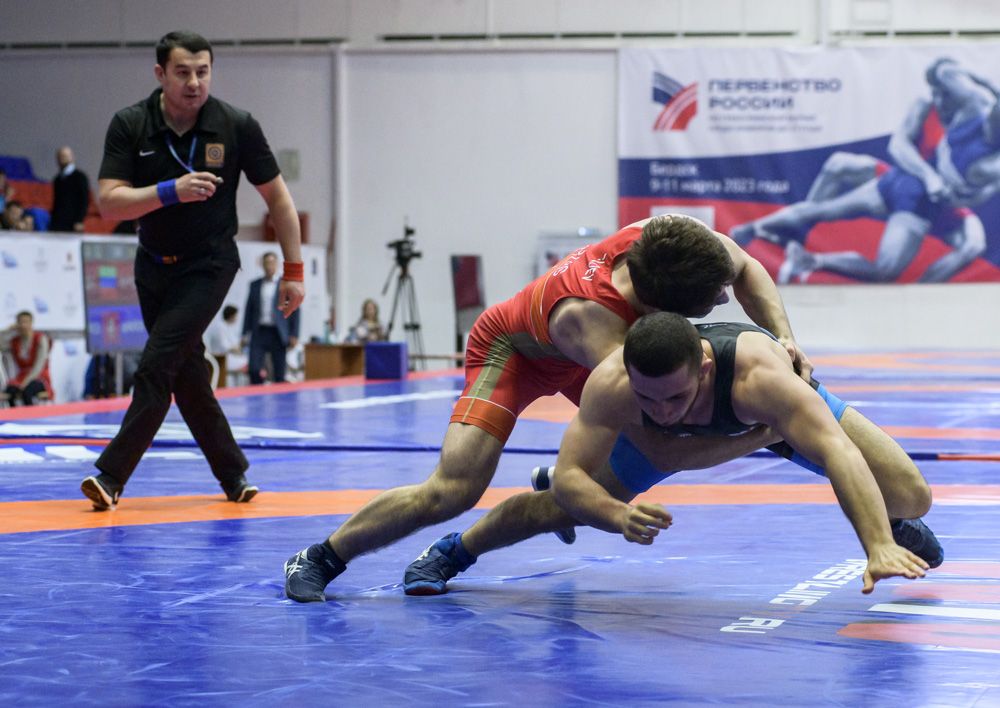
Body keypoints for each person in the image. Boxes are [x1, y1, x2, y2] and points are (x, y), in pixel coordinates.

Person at [284, 213, 813, 603]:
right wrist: (765, 430)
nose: (722, 301)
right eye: (710, 301)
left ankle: (542, 491)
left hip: (593, 355)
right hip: (514, 351)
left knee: (633, 448)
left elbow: (747, 269)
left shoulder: (666, 241)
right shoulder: (593, 321)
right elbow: (662, 441)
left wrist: (784, 339)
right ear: (661, 308)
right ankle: (321, 556)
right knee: (454, 488)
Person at [404, 312, 942, 596]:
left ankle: (891, 524)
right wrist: (613, 514)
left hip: (771, 418)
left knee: (910, 495)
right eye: (649, 398)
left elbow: (838, 451)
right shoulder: (613, 384)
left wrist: (875, 543)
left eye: (676, 397)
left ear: (704, 370)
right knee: (561, 505)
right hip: (685, 445)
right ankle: (455, 550)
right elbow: (570, 478)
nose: (663, 411)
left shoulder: (762, 379)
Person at [79, 30, 305, 511]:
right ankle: (234, 474)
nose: (194, 82)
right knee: (187, 375)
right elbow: (109, 202)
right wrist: (170, 191)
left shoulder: (236, 125)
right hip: (152, 266)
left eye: (203, 72)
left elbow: (279, 199)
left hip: (209, 264)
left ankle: (111, 476)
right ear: (160, 74)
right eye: (183, 72)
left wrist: (294, 270)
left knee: (157, 364)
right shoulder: (130, 123)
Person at [731, 58, 995, 284]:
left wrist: (954, 190)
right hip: (910, 185)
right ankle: (769, 232)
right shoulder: (943, 108)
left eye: (946, 93)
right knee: (836, 179)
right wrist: (932, 177)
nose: (940, 100)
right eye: (937, 93)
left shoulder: (977, 129)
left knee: (971, 243)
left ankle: (788, 243)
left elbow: (973, 191)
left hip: (924, 194)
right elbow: (900, 145)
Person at [242, 251, 300, 384]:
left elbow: (295, 310)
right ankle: (257, 394)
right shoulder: (255, 285)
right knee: (254, 369)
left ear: (277, 264)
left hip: (278, 332)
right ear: (262, 265)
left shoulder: (285, 285)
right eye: (266, 263)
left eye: (272, 263)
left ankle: (280, 396)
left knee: (279, 373)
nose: (269, 266)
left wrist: (294, 334)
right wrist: (244, 333)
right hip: (259, 331)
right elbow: (249, 310)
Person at [2, 311, 53, 406]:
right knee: (10, 391)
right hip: (21, 377)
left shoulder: (40, 339)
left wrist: (26, 381)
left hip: (39, 377)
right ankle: (13, 415)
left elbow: (39, 365)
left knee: (27, 391)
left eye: (26, 322)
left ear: (31, 323)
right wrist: (8, 330)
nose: (23, 325)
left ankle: (30, 415)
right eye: (20, 322)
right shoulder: (15, 341)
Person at [49, 146, 91, 233]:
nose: (63, 159)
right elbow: (56, 201)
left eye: (66, 156)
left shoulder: (80, 177)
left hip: (72, 222)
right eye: (61, 156)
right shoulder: (58, 179)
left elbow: (84, 199)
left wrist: (79, 220)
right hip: (58, 222)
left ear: (72, 157)